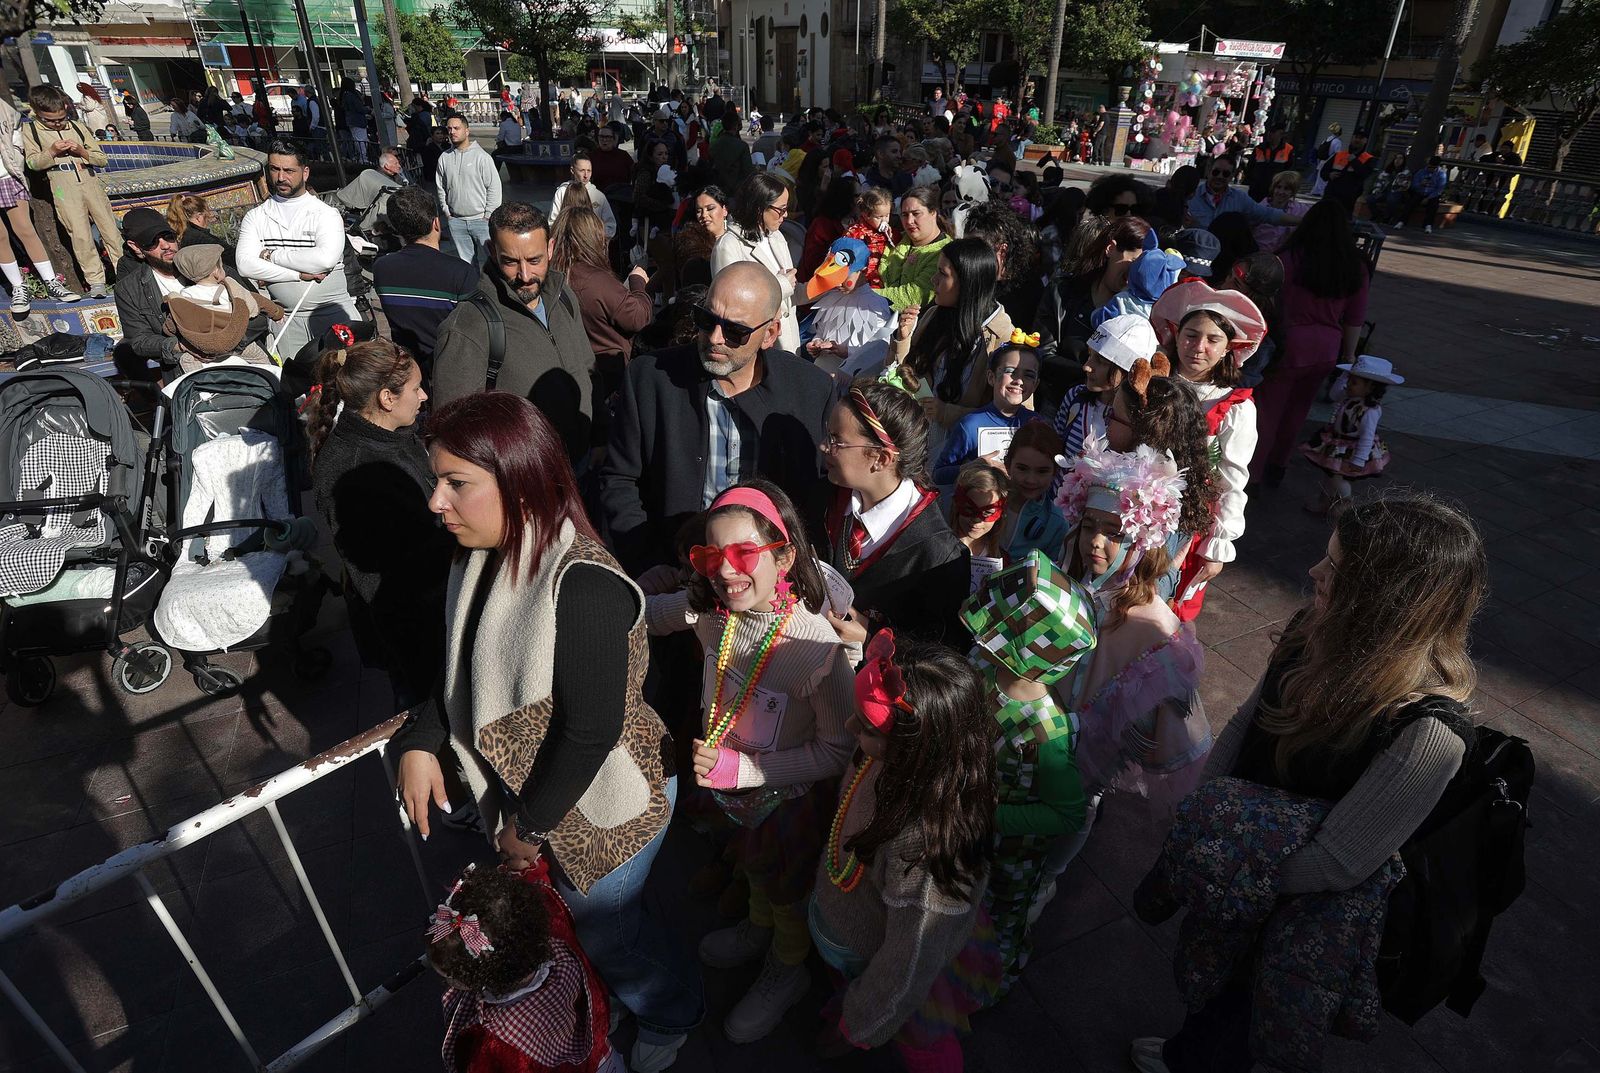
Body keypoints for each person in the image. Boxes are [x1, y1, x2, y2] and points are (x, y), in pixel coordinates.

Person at [393, 393, 703, 1073]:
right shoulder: (478, 560)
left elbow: (589, 731)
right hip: (551, 802)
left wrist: (525, 827)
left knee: (611, 929)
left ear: (520, 479)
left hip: (607, 806)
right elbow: (459, 668)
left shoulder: (585, 583)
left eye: (457, 484)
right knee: (585, 926)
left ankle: (671, 1006)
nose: (436, 503)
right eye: (435, 480)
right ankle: (613, 991)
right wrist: (420, 738)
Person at [1131, 491, 1483, 1073]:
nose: (1315, 573)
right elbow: (1248, 722)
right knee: (1209, 978)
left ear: (1390, 601)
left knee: (1245, 1005)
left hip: (1291, 906)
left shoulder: (1430, 735)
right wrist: (1203, 813)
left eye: (1337, 570)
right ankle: (1188, 1051)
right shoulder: (1311, 628)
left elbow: (1338, 863)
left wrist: (1226, 862)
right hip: (1243, 870)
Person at [645, 480, 854, 1042]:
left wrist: (751, 772)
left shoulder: (816, 650)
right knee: (753, 869)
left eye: (744, 554)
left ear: (784, 556)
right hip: (731, 790)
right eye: (711, 557)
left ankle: (786, 970)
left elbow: (836, 751)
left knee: (787, 888)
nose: (727, 571)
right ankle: (758, 927)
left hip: (787, 799)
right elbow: (650, 613)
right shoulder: (714, 614)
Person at [809, 632, 1001, 1070]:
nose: (848, 728)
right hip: (858, 940)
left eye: (866, 725)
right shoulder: (889, 763)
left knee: (923, 1047)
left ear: (918, 748)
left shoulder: (928, 855)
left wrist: (860, 1021)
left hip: (889, 971)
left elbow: (907, 965)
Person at [600, 262, 834, 573]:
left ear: (770, 334)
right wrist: (648, 562)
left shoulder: (811, 391)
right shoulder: (650, 379)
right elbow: (620, 480)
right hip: (673, 575)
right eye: (706, 320)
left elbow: (820, 497)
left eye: (736, 331)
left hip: (771, 586)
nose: (715, 338)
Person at [960, 552, 1094, 990]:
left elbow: (1067, 815)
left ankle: (989, 984)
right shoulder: (983, 666)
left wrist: (989, 816)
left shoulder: (1046, 732)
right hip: (966, 824)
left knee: (997, 919)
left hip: (1009, 852)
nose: (982, 639)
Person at [1056, 436, 1210, 810]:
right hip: (1049, 729)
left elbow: (1166, 711)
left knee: (1080, 806)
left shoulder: (1151, 622)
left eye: (1114, 532)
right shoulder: (1069, 581)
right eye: (1089, 525)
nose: (1095, 541)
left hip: (1091, 750)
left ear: (1141, 541)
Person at [307, 337, 452, 706]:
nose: (423, 397)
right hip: (416, 630)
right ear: (387, 399)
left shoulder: (387, 434)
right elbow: (388, 579)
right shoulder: (356, 470)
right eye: (416, 389)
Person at [430, 202, 597, 466]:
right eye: (510, 261)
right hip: (525, 482)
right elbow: (452, 431)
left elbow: (586, 370)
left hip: (582, 466)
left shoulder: (563, 296)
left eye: (535, 260)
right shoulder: (468, 325)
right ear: (492, 254)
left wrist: (600, 439)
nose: (525, 275)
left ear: (550, 249)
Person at [428, 860, 622, 1073]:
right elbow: (533, 882)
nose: (447, 982)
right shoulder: (555, 937)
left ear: (477, 979)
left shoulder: (498, 1039)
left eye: (448, 977)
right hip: (595, 1057)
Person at [1149, 280, 1267, 621]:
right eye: (1191, 335)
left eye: (1212, 339)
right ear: (1175, 334)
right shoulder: (1152, 384)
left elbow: (1232, 479)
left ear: (1229, 347)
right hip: (1135, 512)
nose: (1198, 347)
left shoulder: (1235, 407)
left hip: (1186, 522)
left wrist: (1218, 544)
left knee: (1163, 606)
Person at [819, 380, 970, 645]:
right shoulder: (825, 499)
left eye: (837, 441)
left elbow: (945, 661)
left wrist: (872, 640)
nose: (824, 447)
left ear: (882, 458)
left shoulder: (939, 556)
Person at [1249, 199, 1370, 488]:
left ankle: (1253, 474)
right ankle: (1279, 465)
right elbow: (1355, 318)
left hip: (1289, 345)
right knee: (1298, 410)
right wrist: (1350, 356)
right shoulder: (1356, 267)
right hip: (1327, 348)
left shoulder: (1289, 259)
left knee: (1268, 411)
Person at [888, 236, 1015, 453]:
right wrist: (903, 338)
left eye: (943, 274)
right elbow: (898, 373)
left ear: (968, 282)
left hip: (961, 451)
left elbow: (1011, 414)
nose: (933, 280)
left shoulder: (1001, 337)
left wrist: (947, 413)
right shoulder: (935, 314)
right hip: (915, 435)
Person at [236, 139, 358, 362]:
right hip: (286, 321)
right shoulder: (256, 217)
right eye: (275, 169)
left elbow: (324, 259)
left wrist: (270, 256)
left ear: (305, 172)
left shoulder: (325, 214)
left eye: (289, 170)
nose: (281, 177)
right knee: (298, 389)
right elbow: (245, 264)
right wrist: (296, 274)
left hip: (333, 317)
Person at [1034, 215, 1151, 407]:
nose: (1138, 273)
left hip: (1109, 412)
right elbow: (1041, 353)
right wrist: (1091, 371)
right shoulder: (1063, 292)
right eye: (1135, 262)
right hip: (1055, 402)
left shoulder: (1140, 312)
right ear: (1111, 249)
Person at [371, 185, 482, 382]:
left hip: (410, 372)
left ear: (397, 230)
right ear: (436, 224)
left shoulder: (381, 268)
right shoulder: (461, 272)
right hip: (453, 370)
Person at [21, 85, 121, 299]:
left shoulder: (76, 127)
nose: (57, 123)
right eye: (51, 120)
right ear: (37, 113)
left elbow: (101, 158)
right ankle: (96, 281)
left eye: (61, 118)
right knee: (80, 234)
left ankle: (123, 271)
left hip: (89, 179)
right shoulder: (30, 131)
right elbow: (32, 162)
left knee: (110, 230)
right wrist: (52, 152)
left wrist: (82, 151)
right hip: (61, 184)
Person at [551, 206, 652, 406]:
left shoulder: (553, 275)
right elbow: (638, 317)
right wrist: (638, 282)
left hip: (569, 369)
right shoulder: (595, 280)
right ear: (592, 238)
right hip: (606, 374)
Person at [1052, 313, 1161, 471]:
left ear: (1129, 371)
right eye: (1090, 356)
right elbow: (1054, 445)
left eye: (1102, 361)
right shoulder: (1075, 396)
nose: (1087, 366)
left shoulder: (1140, 418)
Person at [0, 95, 74, 314]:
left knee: (25, 228)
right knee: (0, 237)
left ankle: (52, 283)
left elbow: (14, 127)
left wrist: (15, 155)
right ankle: (19, 287)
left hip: (6, 175)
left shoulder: (2, 106)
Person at [711, 172, 801, 353]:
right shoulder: (728, 245)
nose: (785, 215)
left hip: (788, 342)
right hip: (756, 349)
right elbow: (731, 304)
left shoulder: (776, 236)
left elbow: (791, 295)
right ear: (760, 207)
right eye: (781, 209)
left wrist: (822, 287)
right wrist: (782, 285)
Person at [1301, 354, 1401, 513]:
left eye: (1354, 382)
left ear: (1370, 388)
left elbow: (1367, 436)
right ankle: (1325, 503)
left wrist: (1360, 459)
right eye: (1349, 380)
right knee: (1329, 475)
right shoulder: (1349, 397)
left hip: (1350, 449)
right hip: (1336, 444)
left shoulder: (1370, 411)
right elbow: (1334, 395)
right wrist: (1343, 377)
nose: (1348, 385)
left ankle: (1346, 506)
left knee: (1338, 478)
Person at [803, 235, 896, 381]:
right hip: (821, 374)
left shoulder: (875, 305)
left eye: (844, 278)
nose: (838, 283)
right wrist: (816, 343)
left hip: (853, 381)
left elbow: (879, 348)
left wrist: (846, 351)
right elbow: (821, 330)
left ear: (863, 272)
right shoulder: (830, 297)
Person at [437, 113, 504, 268]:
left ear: (466, 131)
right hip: (457, 221)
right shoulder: (444, 158)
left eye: (456, 128)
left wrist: (488, 216)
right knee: (466, 265)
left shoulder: (482, 157)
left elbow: (494, 187)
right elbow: (441, 187)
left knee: (494, 262)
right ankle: (472, 291)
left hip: (481, 220)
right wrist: (447, 212)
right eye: (449, 129)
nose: (452, 132)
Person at [874, 186, 951, 312]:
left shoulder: (945, 253)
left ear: (933, 213)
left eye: (916, 214)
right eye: (904, 215)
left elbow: (912, 296)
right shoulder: (895, 238)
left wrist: (865, 296)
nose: (909, 221)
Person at [1186, 155, 1300, 231]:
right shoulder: (1191, 195)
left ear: (1232, 176)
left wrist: (1302, 222)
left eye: (1225, 173)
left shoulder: (1239, 198)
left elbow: (1269, 215)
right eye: (1216, 172)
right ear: (1209, 171)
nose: (1220, 176)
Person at [549, 152, 619, 240]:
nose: (586, 175)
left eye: (589, 171)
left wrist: (594, 236)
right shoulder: (562, 192)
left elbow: (611, 226)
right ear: (572, 170)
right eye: (582, 170)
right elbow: (552, 223)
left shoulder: (599, 196)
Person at [334, 148, 406, 233]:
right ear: (387, 166)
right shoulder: (378, 177)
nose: (399, 165)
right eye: (396, 163)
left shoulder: (398, 177)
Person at [1251, 170, 1307, 252]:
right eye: (1278, 187)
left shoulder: (1300, 209)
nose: (1281, 192)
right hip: (1258, 253)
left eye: (1286, 189)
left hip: (1282, 256)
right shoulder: (1260, 208)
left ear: (1293, 192)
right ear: (1273, 188)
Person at [1320, 131, 1376, 213]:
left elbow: (1365, 174)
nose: (1357, 140)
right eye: (1356, 137)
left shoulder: (1368, 159)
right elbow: (1323, 172)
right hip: (1331, 194)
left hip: (1348, 198)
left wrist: (1354, 161)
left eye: (1361, 138)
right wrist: (1329, 175)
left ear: (1365, 141)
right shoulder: (1340, 154)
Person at [1395, 156, 1448, 233]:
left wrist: (1428, 198)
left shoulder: (1441, 174)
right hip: (1420, 192)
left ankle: (1428, 225)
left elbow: (1439, 189)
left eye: (1434, 168)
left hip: (1432, 194)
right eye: (1430, 167)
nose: (1431, 169)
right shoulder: (1421, 172)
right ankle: (1401, 221)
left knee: (1433, 205)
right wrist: (1420, 184)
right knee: (1411, 203)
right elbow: (1413, 185)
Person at [710, 106, 754, 192]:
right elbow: (748, 170)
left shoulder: (714, 144)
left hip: (718, 187)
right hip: (736, 189)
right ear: (736, 126)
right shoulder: (742, 146)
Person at [589, 123, 634, 190]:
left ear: (613, 139)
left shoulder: (624, 156)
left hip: (621, 195)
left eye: (607, 137)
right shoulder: (591, 156)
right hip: (599, 196)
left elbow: (633, 174)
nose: (604, 140)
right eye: (601, 136)